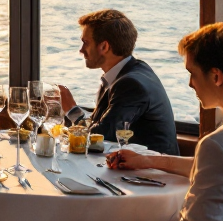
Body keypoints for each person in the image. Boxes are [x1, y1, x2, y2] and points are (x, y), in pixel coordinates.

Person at [109, 22, 223, 221]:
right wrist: (148, 160)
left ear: (216, 77)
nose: (190, 83)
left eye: (192, 73)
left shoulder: (220, 145)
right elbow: (222, 167)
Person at [59, 9, 178, 155]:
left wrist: (71, 110)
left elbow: (100, 136)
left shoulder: (131, 84)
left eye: (85, 42)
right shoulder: (131, 71)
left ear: (104, 47)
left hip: (149, 173)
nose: (81, 50)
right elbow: (102, 124)